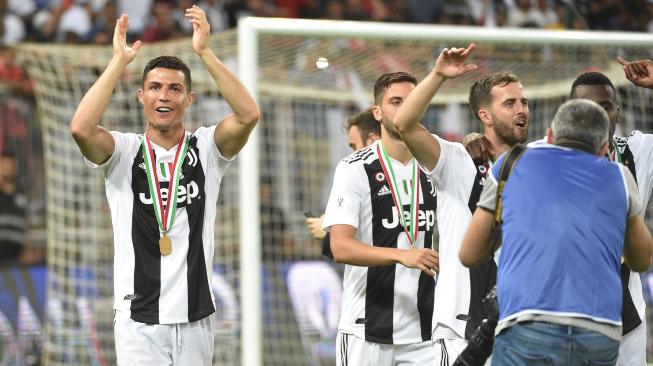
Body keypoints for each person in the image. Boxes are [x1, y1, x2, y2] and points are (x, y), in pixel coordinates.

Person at [69, 6, 259, 365]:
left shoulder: (207, 149)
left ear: (189, 99)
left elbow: (248, 115)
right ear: (141, 96)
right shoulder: (123, 152)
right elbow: (80, 128)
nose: (164, 96)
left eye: (175, 89)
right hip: (138, 319)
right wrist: (118, 63)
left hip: (196, 316)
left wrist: (205, 52)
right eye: (154, 87)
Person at [459, 99, 653, 365]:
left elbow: (469, 254)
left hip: (527, 323)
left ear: (549, 136)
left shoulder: (511, 164)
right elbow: (641, 260)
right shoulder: (619, 176)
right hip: (599, 329)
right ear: (604, 149)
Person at [322, 72, 439, 365]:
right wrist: (402, 255)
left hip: (425, 331)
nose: (404, 109)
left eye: (411, 101)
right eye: (395, 102)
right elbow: (340, 247)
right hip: (366, 330)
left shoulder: (439, 164)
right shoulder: (353, 169)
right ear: (377, 112)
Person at [570, 63, 653, 366]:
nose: (599, 114)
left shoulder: (638, 152)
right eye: (589, 106)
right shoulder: (543, 156)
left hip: (627, 318)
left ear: (617, 112)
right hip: (566, 316)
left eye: (607, 106)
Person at [305, 108, 380, 248]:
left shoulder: (351, 170)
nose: (353, 155)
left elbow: (382, 240)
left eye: (354, 146)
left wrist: (330, 234)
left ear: (372, 140)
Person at [0, 152, 25, 264]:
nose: (7, 168)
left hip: (15, 255)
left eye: (11, 165)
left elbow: (26, 223)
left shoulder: (21, 194)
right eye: (4, 164)